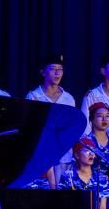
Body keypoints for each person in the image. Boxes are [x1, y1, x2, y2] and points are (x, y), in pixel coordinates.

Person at [25, 52, 76, 183]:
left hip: (64, 155)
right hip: (41, 154)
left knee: (62, 190)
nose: (57, 73)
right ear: (43, 72)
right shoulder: (33, 96)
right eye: (53, 69)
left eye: (60, 69)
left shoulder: (68, 98)